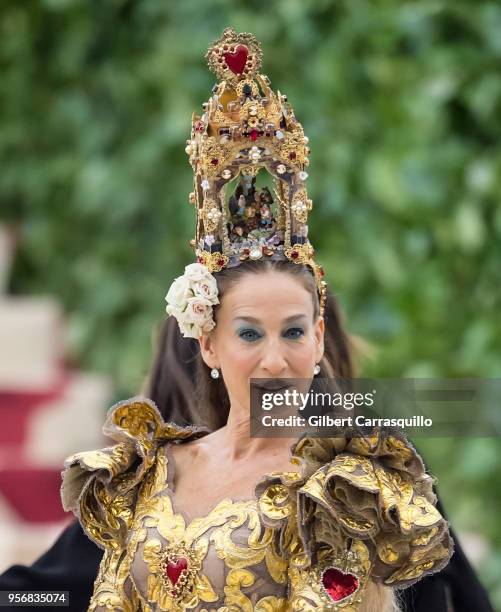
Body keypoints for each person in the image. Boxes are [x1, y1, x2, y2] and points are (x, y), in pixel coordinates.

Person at [0, 27, 491, 611]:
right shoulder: (151, 473)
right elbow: (59, 588)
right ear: (205, 343)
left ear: (318, 337)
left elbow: (446, 589)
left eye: (294, 332)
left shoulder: (361, 484)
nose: (275, 358)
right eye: (249, 333)